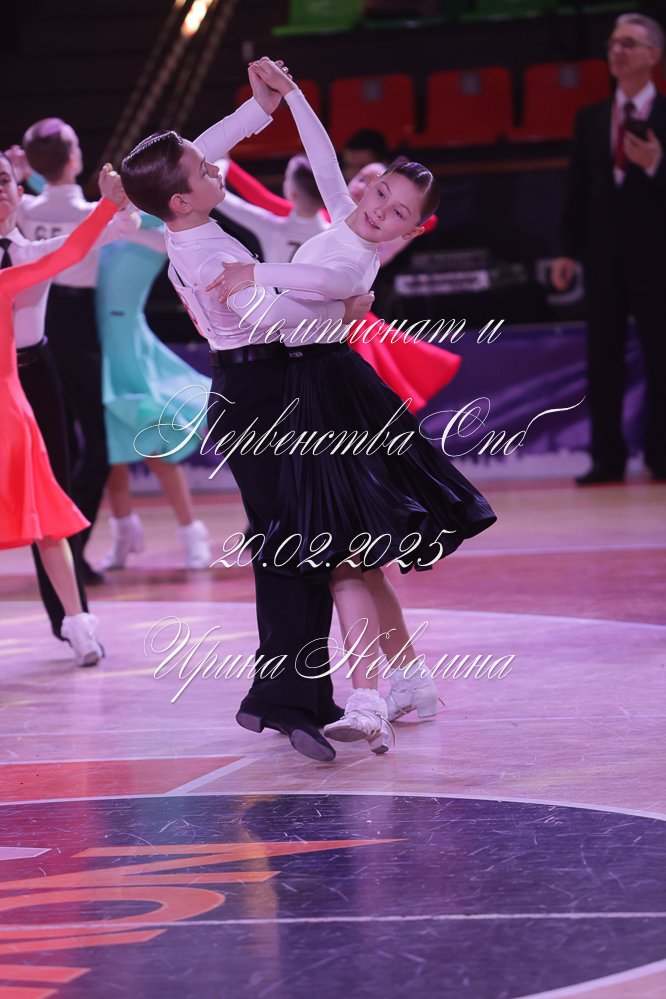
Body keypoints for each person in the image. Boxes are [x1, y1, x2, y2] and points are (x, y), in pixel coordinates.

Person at [212, 59, 496, 754]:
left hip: (326, 393)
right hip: (311, 386)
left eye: (397, 212)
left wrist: (254, 271)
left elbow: (317, 276)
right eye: (380, 193)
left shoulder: (353, 263)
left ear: (412, 229)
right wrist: (295, 97)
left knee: (344, 555)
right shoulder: (347, 214)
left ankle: (368, 700)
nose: (378, 209)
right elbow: (321, 156)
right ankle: (410, 679)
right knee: (358, 559)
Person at [120, 64, 372, 762]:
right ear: (180, 199)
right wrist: (343, 310)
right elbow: (270, 318)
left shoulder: (182, 213)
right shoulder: (204, 250)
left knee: (297, 544)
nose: (215, 166)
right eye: (203, 170)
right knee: (295, 549)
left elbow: (199, 150)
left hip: (259, 390)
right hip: (260, 393)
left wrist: (260, 109)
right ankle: (286, 700)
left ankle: (297, 696)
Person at [0, 149, 134, 641]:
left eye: (4, 181)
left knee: (51, 499)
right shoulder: (30, 253)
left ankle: (72, 620)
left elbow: (95, 239)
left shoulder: (32, 252)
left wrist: (119, 209)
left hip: (34, 376)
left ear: (19, 191)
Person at [223, 156, 461, 412]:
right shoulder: (333, 217)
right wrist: (230, 166)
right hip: (303, 325)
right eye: (361, 180)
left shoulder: (369, 231)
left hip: (339, 330)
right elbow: (267, 201)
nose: (360, 187)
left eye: (397, 209)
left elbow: (427, 220)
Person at [551, 13, 666, 484]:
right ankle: (606, 458)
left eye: (629, 43)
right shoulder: (592, 117)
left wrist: (657, 164)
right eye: (613, 43)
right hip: (603, 254)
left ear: (653, 55)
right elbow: (576, 188)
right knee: (602, 359)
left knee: (661, 355)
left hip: (658, 256)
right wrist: (567, 249)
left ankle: (661, 454)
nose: (617, 50)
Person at [18, 118, 120, 582]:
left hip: (32, 324)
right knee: (95, 446)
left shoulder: (22, 206)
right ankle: (70, 551)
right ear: (75, 158)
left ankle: (62, 551)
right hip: (75, 328)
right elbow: (138, 228)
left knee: (55, 448)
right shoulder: (90, 212)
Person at [96, 218, 213, 571]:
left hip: (130, 350)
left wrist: (114, 222)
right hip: (96, 349)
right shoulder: (104, 219)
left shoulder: (159, 229)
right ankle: (123, 536)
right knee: (110, 457)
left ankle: (192, 533)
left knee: (156, 449)